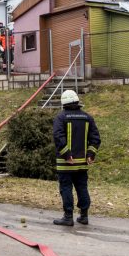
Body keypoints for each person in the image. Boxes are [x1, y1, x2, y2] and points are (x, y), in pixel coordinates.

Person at [52, 89, 101, 226]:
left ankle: (68, 217)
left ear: (64, 104)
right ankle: (84, 216)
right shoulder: (87, 117)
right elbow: (95, 138)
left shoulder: (61, 118)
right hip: (82, 163)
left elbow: (58, 137)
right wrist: (91, 154)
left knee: (66, 188)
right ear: (77, 101)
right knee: (82, 187)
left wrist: (67, 154)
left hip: (65, 163)